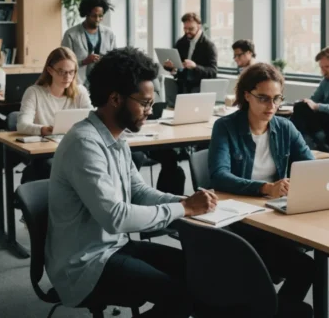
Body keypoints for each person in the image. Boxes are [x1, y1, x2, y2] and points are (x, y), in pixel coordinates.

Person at [45, 47, 217, 317]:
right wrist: (185, 210)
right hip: (84, 264)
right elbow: (115, 217)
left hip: (113, 246)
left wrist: (185, 202)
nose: (150, 110)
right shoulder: (84, 143)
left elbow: (138, 191)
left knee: (200, 274)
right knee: (179, 295)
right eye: (145, 103)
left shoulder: (116, 136)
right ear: (115, 98)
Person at [208, 63, 315, 313]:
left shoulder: (284, 127)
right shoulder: (225, 127)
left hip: (273, 215)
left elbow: (310, 166)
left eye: (277, 99)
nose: (271, 106)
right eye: (263, 99)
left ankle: (274, 309)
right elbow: (219, 177)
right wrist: (266, 188)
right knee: (303, 267)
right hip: (238, 222)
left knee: (309, 267)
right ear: (246, 95)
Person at [17, 47, 92, 183]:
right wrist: (43, 129)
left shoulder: (80, 91)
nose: (67, 77)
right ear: (50, 70)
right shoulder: (34, 92)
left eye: (71, 72)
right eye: (62, 72)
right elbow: (22, 125)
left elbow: (92, 118)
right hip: (46, 153)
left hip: (75, 147)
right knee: (59, 167)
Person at [61, 0, 117, 87]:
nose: (97, 19)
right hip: (77, 83)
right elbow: (63, 62)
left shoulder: (109, 34)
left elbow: (115, 59)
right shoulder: (71, 34)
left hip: (103, 83)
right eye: (94, 16)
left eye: (100, 16)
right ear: (86, 14)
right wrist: (84, 61)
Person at [162, 12, 217, 94]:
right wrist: (169, 66)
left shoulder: (208, 45)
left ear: (199, 26)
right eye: (185, 28)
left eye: (191, 29)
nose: (187, 31)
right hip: (182, 85)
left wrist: (195, 66)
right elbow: (176, 64)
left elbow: (213, 72)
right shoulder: (181, 42)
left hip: (199, 88)